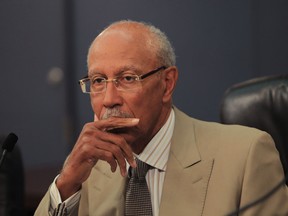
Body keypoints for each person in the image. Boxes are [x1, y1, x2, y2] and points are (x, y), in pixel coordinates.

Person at [35, 20, 288, 216]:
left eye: (127, 78)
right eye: (99, 81)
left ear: (167, 84)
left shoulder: (245, 155)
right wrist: (67, 182)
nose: (109, 99)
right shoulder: (89, 170)